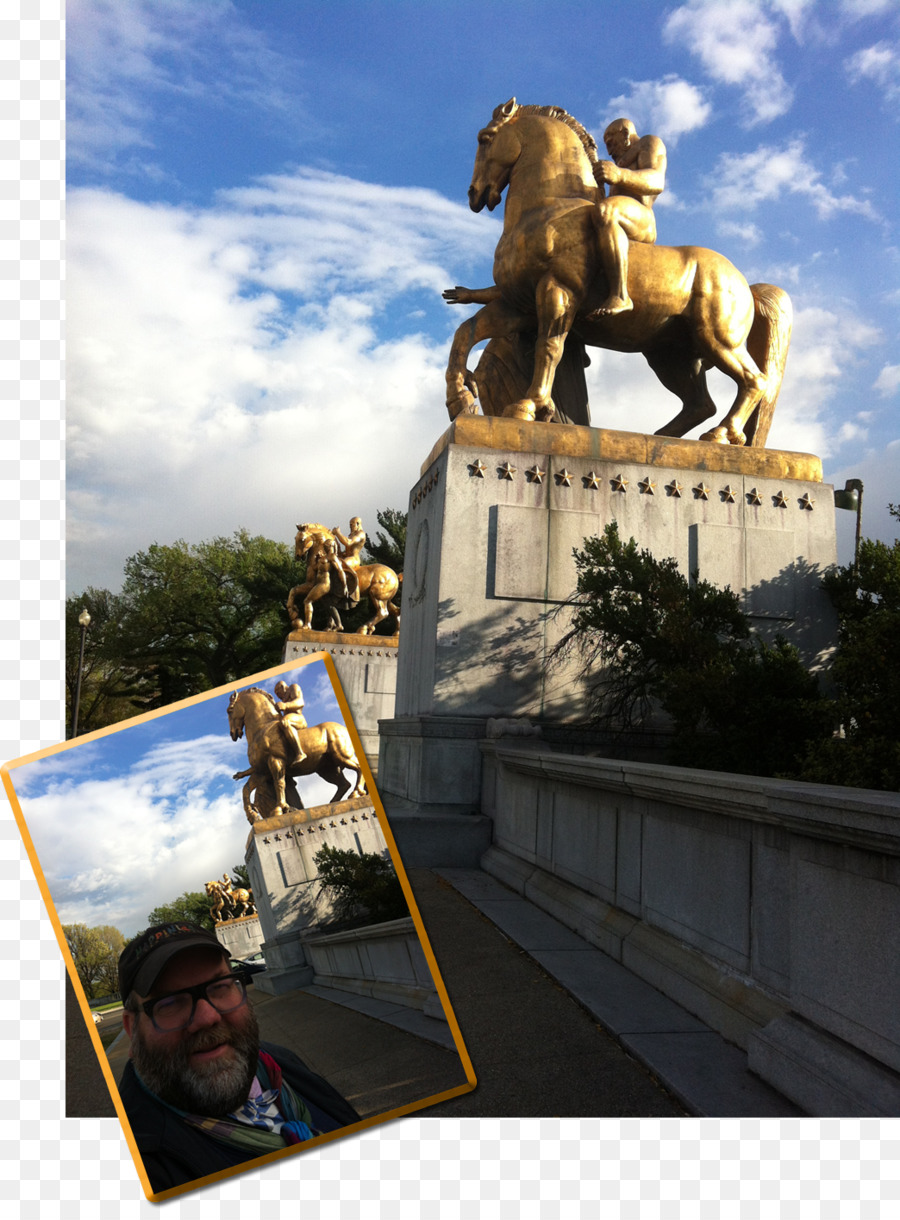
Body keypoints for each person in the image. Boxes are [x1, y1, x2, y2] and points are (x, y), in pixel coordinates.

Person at [117, 922, 359, 1194]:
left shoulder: (277, 1064)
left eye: (219, 986)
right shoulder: (144, 1168)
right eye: (170, 1002)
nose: (207, 1018)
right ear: (131, 1028)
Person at [590, 118, 667, 317]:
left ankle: (620, 295)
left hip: (642, 217)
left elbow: (656, 180)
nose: (609, 150)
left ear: (625, 134)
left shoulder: (649, 143)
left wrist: (620, 175)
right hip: (623, 215)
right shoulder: (620, 163)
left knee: (607, 210)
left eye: (611, 142)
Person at [331, 517, 366, 603]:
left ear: (357, 524)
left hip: (354, 559)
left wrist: (338, 533)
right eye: (349, 524)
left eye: (352, 524)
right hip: (347, 556)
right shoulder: (351, 535)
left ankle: (346, 589)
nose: (350, 526)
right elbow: (347, 549)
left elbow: (348, 542)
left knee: (341, 565)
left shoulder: (361, 534)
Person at [273, 679, 308, 765]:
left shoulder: (293, 687)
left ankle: (300, 753)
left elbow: (300, 702)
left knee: (285, 721)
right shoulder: (284, 699)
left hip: (298, 718)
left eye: (278, 693)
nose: (278, 696)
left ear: (282, 687)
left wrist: (285, 705)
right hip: (291, 720)